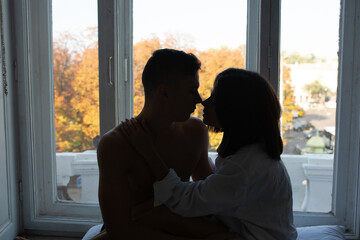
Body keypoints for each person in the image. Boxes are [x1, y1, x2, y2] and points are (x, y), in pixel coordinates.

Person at [121, 68, 298, 240]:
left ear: (234, 110)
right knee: (145, 215)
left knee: (150, 214)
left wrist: (148, 152)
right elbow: (216, 189)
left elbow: (185, 201)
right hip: (257, 231)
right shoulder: (253, 153)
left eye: (214, 99)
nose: (203, 102)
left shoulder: (245, 167)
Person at [94, 49, 237, 240]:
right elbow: (119, 230)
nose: (199, 100)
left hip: (174, 225)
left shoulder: (195, 131)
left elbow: (210, 201)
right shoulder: (115, 145)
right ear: (164, 92)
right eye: (191, 91)